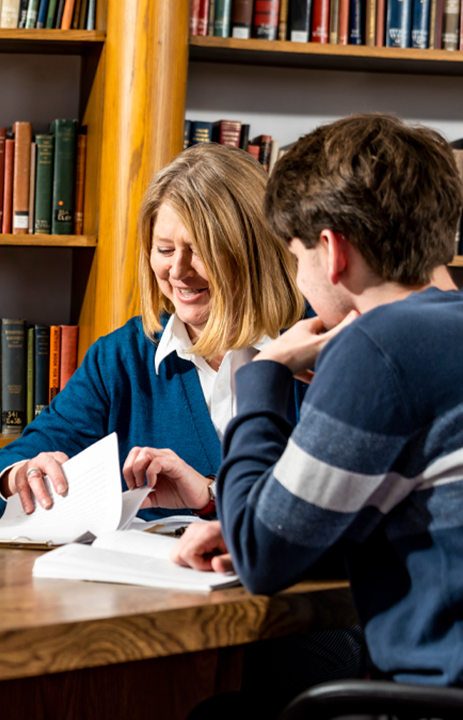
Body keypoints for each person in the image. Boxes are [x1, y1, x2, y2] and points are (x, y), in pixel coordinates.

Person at [172, 115, 463, 692]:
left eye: (295, 255)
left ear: (330, 252)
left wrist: (266, 374)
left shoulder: (377, 347)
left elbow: (262, 557)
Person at [0, 142, 305, 521]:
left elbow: (334, 509)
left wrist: (212, 495)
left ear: (253, 251)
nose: (178, 271)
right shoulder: (121, 357)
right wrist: (21, 474)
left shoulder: (318, 348)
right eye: (165, 250)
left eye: (199, 250)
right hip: (146, 578)